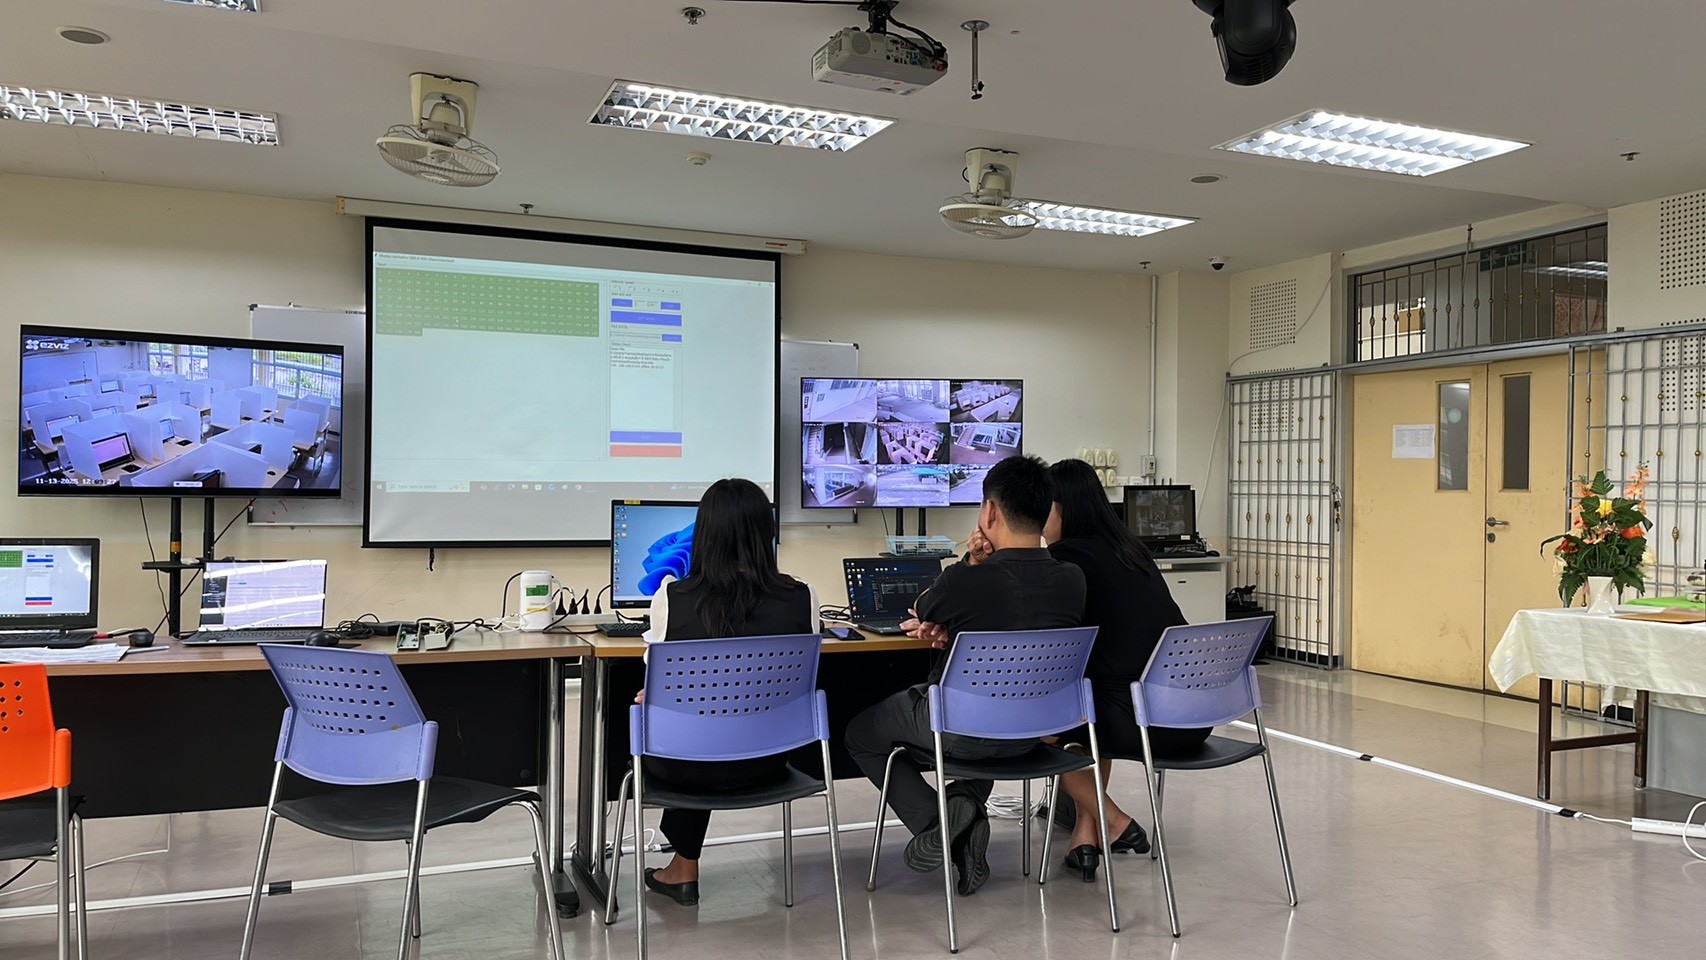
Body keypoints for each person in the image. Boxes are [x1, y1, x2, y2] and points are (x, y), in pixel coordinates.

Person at [843, 455, 1085, 896]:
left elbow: (924, 607)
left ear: (989, 511)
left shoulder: (968, 582)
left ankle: (939, 823)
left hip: (961, 730)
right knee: (992, 710)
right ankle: (964, 809)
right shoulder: (1073, 580)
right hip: (1033, 734)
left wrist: (970, 563)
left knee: (860, 733)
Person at [637, 478, 819, 906]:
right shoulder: (802, 596)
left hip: (687, 765)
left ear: (703, 534)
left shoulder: (672, 597)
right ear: (766, 532)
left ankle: (683, 869)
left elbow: (657, 681)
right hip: (770, 760)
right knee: (715, 723)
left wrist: (657, 700)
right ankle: (681, 866)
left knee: (690, 726)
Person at [1034, 458, 1210, 883]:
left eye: (1044, 509)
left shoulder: (1066, 561)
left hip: (1142, 721)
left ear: (1063, 509)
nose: (1039, 521)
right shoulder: (1132, 552)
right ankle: (1085, 838)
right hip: (1191, 716)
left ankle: (1114, 820)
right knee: (1093, 710)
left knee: (1039, 728)